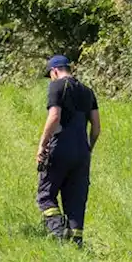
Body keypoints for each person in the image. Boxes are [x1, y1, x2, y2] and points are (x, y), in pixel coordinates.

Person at [35, 54, 100, 247]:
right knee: (75, 198)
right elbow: (96, 127)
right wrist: (89, 148)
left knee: (46, 195)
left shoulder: (56, 86)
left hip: (60, 147)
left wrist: (42, 144)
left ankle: (57, 231)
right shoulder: (88, 91)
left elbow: (54, 116)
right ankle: (76, 242)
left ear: (55, 71)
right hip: (82, 151)